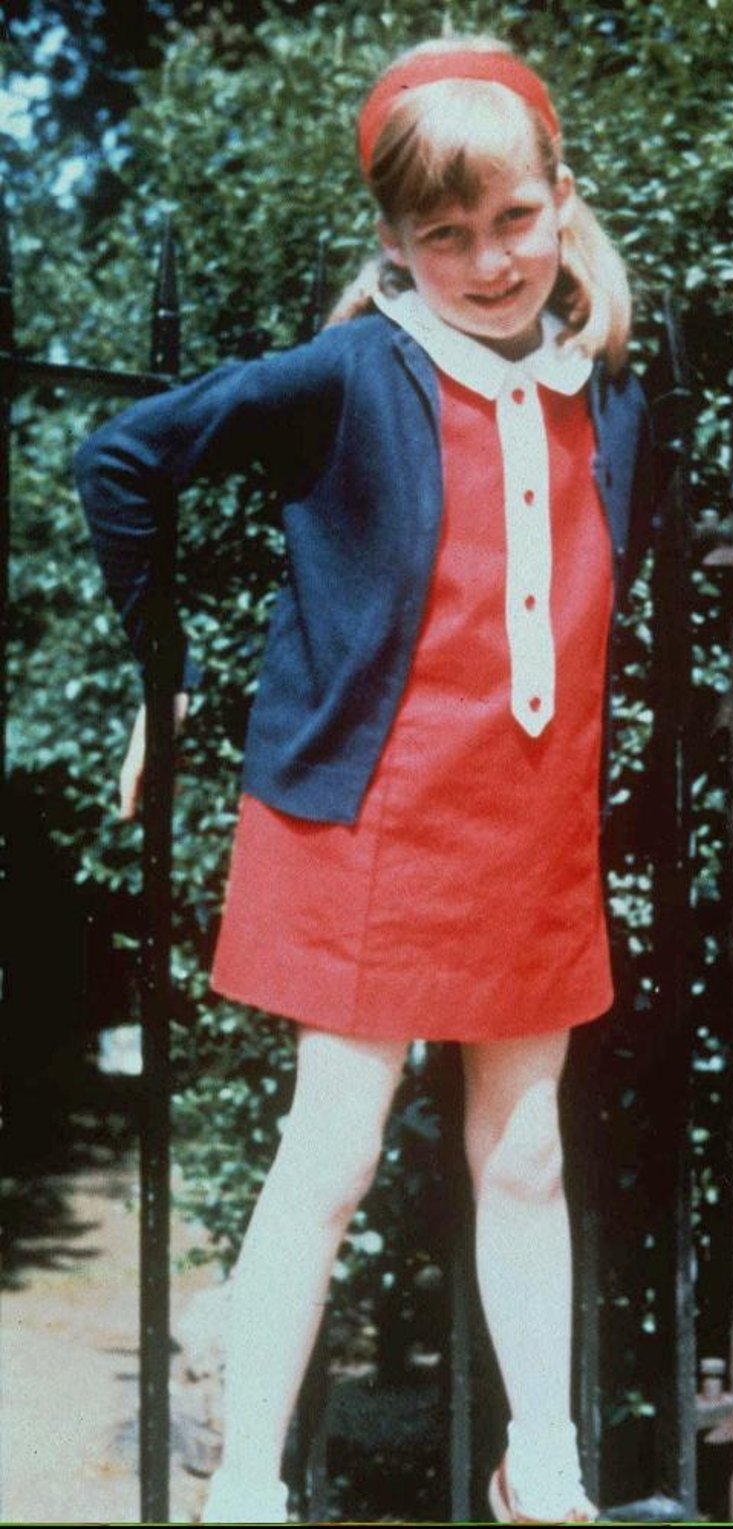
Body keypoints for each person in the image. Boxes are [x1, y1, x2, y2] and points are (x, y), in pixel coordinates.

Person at [75, 33, 653, 1526]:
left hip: (526, 828)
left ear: (561, 201)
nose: (487, 259)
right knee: (329, 1153)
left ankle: (549, 1461)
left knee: (524, 1154)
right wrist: (166, 667)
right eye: (443, 233)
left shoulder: (611, 391)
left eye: (513, 218)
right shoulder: (353, 371)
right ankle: (250, 1487)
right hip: (371, 819)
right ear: (394, 241)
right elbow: (124, 460)